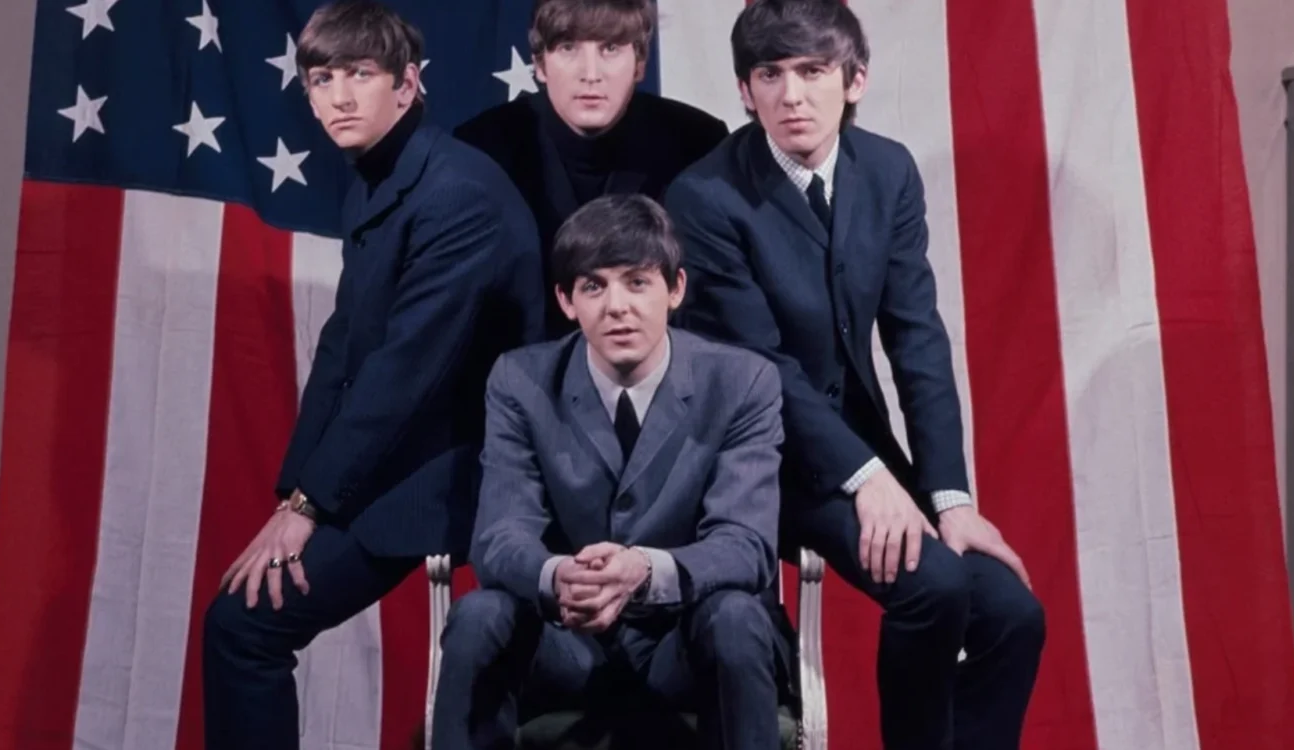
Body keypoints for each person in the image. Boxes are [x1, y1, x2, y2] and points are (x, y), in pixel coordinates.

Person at [664, 1, 1045, 748]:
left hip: (859, 445)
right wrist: (866, 479)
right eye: (769, 75)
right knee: (932, 588)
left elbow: (917, 341)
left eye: (813, 72)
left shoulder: (889, 171)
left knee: (1011, 616)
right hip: (757, 462)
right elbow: (761, 368)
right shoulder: (704, 197)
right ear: (745, 91)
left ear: (855, 79)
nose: (792, 96)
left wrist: (949, 498)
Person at [200, 3, 546, 749]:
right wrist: (293, 490)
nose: (340, 98)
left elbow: (404, 373)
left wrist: (312, 504)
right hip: (403, 453)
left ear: (409, 83)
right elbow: (343, 346)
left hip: (463, 470)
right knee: (237, 622)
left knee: (243, 627)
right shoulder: (378, 175)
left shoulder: (456, 195)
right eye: (322, 79)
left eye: (361, 74)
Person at [430, 194, 789, 750]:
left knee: (737, 616)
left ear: (676, 290)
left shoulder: (743, 382)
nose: (616, 306)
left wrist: (641, 571)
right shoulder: (520, 381)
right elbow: (500, 537)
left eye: (637, 282)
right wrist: (560, 577)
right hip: (565, 644)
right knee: (480, 615)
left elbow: (745, 546)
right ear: (566, 301)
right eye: (593, 286)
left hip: (685, 645)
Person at [454, 0, 729, 339]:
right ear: (540, 64)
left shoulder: (697, 142)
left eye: (610, 48)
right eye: (569, 47)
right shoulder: (483, 148)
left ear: (640, 63)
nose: (591, 73)